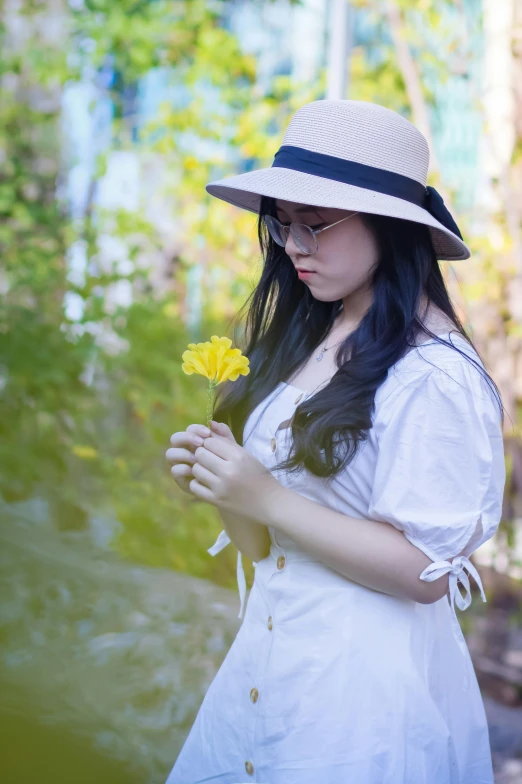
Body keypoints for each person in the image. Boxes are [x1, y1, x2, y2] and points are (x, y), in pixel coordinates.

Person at [165, 100, 506, 784]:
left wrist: (263, 494)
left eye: (315, 226)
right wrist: (223, 480)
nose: (293, 247)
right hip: (263, 677)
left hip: (359, 705)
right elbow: (262, 546)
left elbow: (423, 574)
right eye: (282, 225)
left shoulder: (433, 373)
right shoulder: (309, 335)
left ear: (390, 224)